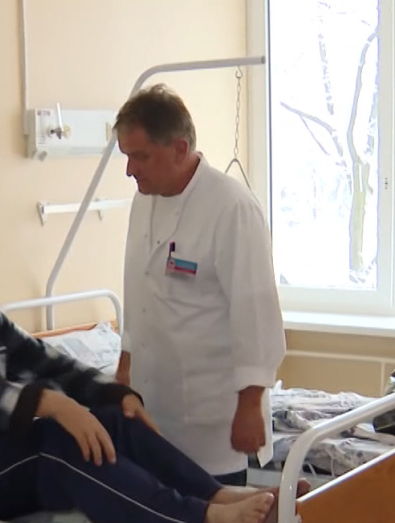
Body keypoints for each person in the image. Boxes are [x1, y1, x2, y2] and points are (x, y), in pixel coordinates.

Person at [0, 230, 281, 523]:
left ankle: (216, 496)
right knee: (57, 443)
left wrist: (115, 395)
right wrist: (53, 404)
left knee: (113, 420)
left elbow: (49, 363)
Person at [115, 84, 288, 486]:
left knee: (217, 514)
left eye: (140, 156)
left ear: (179, 148)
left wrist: (250, 407)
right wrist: (124, 367)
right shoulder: (143, 200)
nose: (130, 170)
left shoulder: (231, 207)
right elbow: (137, 294)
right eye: (126, 157)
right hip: (152, 408)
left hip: (212, 416)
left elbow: (256, 316)